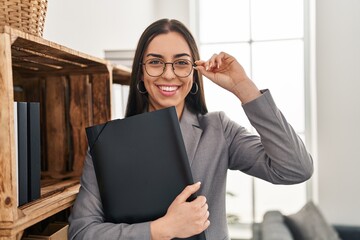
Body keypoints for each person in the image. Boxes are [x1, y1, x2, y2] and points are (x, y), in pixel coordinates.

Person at [68, 18, 313, 240]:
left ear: (194, 74)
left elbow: (295, 169)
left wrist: (242, 87)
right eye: (155, 62)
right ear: (141, 73)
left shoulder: (218, 129)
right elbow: (81, 232)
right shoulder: (108, 142)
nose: (168, 74)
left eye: (181, 63)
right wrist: (160, 229)